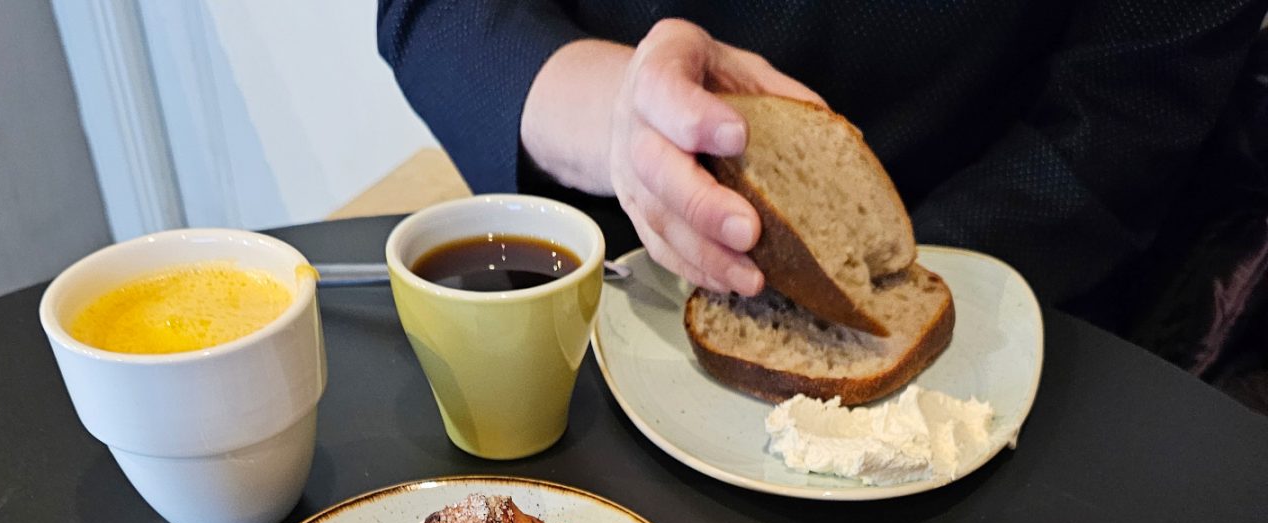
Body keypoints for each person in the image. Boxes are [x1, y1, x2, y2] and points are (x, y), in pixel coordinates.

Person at [376, 3, 1263, 319]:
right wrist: (628, 121)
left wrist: (887, 290)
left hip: (1010, 294)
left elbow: (1135, 97)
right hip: (606, 288)